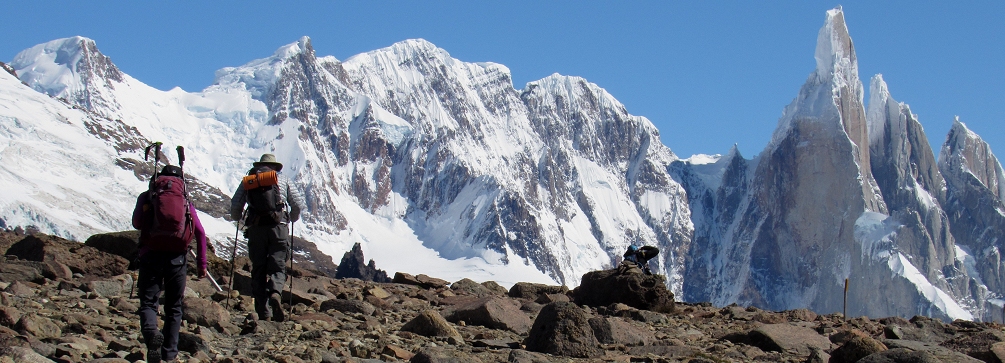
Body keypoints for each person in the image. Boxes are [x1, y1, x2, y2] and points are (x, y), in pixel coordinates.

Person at [132, 165, 207, 363]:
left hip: (151, 255)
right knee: (174, 307)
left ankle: (151, 335)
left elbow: (137, 223)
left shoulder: (148, 196)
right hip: (177, 259)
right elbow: (199, 232)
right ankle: (169, 354)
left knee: (148, 302)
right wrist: (202, 264)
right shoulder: (184, 200)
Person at [230, 153, 305, 322]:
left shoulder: (249, 181)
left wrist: (238, 218)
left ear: (259, 166)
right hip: (279, 227)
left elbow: (236, 205)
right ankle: (275, 293)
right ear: (275, 167)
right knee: (278, 266)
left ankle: (263, 312)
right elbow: (298, 204)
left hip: (256, 229)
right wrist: (291, 218)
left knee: (258, 268)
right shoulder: (283, 179)